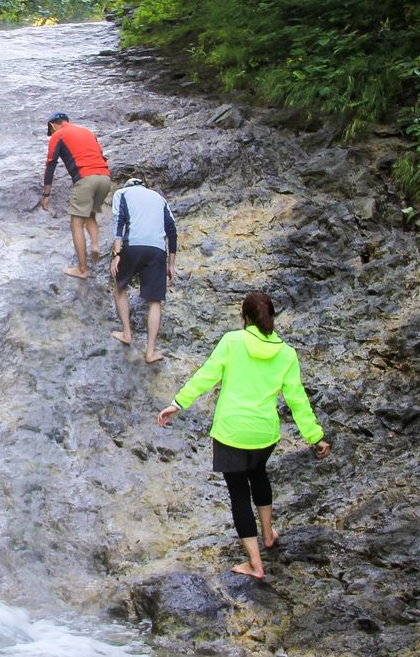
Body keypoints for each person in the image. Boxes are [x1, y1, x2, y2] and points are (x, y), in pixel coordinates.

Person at [156, 291, 330, 579]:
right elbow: (298, 400)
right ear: (271, 318)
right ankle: (268, 535)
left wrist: (178, 403)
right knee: (259, 475)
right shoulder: (286, 354)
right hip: (264, 435)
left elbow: (206, 375)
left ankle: (255, 563)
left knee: (239, 494)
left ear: (245, 318)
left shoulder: (232, 341)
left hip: (231, 432)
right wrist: (315, 436)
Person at [109, 177, 177, 364]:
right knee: (155, 301)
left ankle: (127, 333)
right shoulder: (159, 198)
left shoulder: (122, 193)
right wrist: (171, 264)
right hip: (157, 250)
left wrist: (117, 254)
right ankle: (150, 352)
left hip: (133, 245)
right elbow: (172, 231)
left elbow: (119, 224)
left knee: (120, 287)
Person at [40, 112, 112, 279]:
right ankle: (95, 244)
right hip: (105, 179)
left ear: (52, 125)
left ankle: (82, 269)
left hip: (85, 180)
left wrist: (46, 194)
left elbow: (51, 164)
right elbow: (101, 155)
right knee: (90, 215)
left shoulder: (58, 135)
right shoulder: (87, 132)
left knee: (76, 223)